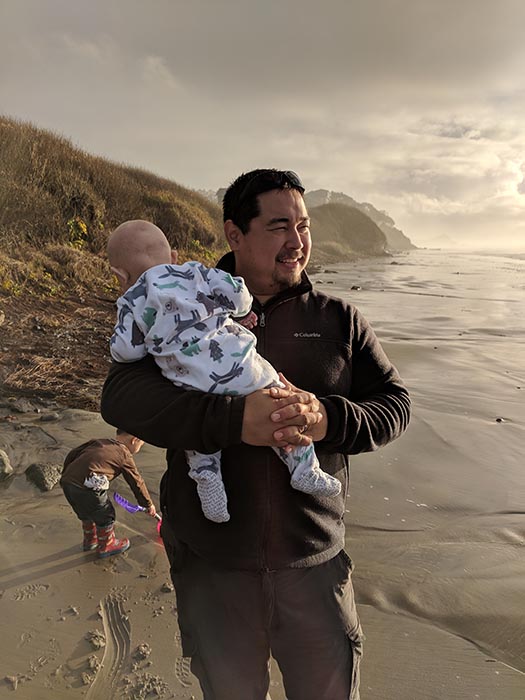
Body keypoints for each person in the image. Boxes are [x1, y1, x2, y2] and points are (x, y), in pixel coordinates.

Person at [101, 169, 411, 699]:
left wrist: (326, 419)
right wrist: (231, 421)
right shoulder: (181, 308)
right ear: (235, 234)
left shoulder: (339, 320)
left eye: (304, 225)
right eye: (278, 226)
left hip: (314, 567)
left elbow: (394, 406)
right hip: (212, 570)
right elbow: (121, 398)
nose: (297, 242)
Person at [106, 220, 341, 523]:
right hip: (236, 365)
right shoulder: (196, 272)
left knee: (197, 432)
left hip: (188, 381)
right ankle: (304, 468)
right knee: (282, 398)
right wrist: (238, 311)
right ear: (174, 256)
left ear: (119, 275)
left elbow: (125, 351)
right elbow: (239, 295)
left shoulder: (132, 300)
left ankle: (208, 481)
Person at [60, 429, 157, 558]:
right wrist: (148, 504)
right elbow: (136, 482)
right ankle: (107, 545)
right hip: (88, 486)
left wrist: (66, 473)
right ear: (134, 440)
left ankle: (90, 540)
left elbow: (73, 454)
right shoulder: (124, 454)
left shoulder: (100, 442)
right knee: (105, 514)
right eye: (141, 445)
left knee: (84, 511)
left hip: (68, 482)